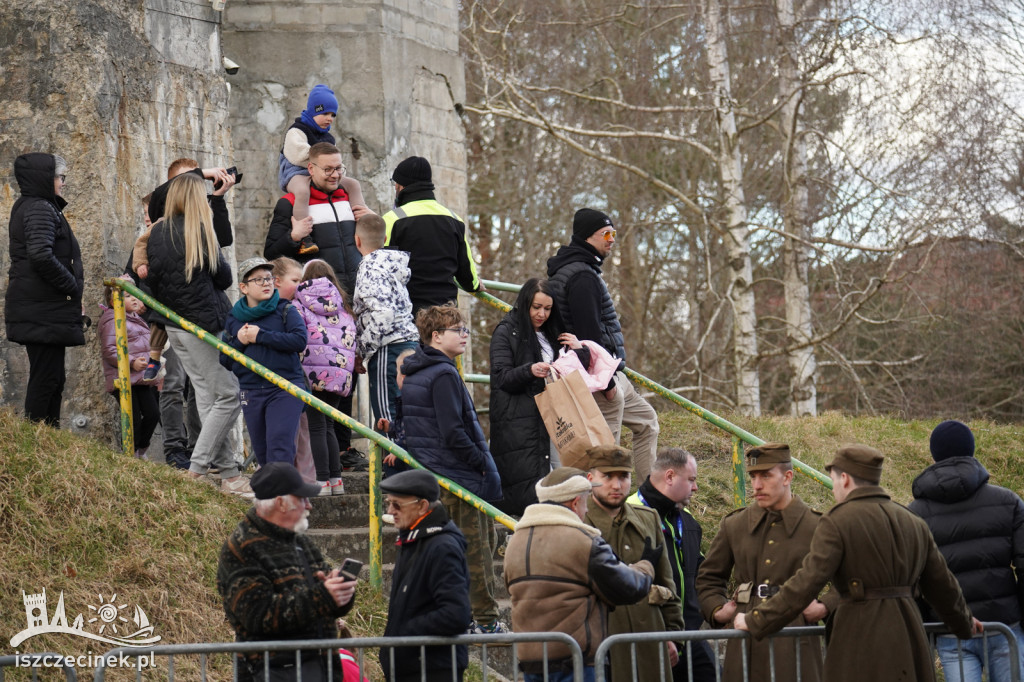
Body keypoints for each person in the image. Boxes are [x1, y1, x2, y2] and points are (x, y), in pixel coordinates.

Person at [735, 445, 983, 682]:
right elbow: (942, 585)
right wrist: (963, 622)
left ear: (844, 479)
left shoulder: (837, 521)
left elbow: (804, 584)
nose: (833, 488)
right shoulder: (912, 521)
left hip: (860, 637)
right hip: (909, 636)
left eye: (833, 480)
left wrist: (755, 619)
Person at [400, 303, 504, 633]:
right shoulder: (444, 373)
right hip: (458, 477)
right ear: (435, 336)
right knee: (477, 552)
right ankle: (486, 622)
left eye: (464, 329)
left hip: (437, 473)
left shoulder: (416, 370)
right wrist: (481, 463)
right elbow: (452, 431)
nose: (464, 336)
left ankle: (462, 617)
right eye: (457, 330)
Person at [696, 443, 836, 682]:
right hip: (744, 634)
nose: (757, 485)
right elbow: (708, 578)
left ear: (787, 477)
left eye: (766, 475)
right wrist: (719, 610)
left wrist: (823, 606)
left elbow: (847, 580)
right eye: (752, 476)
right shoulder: (735, 525)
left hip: (795, 634)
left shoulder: (818, 526)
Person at [145, 172, 249, 495]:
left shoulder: (156, 233)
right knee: (230, 395)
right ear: (195, 201)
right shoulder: (199, 231)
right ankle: (196, 470)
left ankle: (230, 475)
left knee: (207, 397)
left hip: (175, 328)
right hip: (204, 326)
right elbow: (224, 277)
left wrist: (199, 175)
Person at [503, 467, 658, 682]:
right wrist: (646, 566)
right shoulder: (583, 540)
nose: (586, 511)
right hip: (575, 664)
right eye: (586, 502)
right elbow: (626, 587)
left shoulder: (516, 542)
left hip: (532, 664)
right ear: (575, 502)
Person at [546, 208, 659, 481]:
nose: (612, 240)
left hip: (608, 372)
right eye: (606, 234)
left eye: (614, 233)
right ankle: (602, 508)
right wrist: (606, 384)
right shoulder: (582, 277)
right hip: (597, 377)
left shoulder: (580, 269)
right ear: (587, 237)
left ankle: (648, 498)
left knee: (647, 422)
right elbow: (589, 335)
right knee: (606, 451)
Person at [217, 462, 356, 681]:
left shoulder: (300, 541)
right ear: (281, 503)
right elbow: (258, 616)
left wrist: (341, 592)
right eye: (302, 499)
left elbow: (327, 603)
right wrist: (323, 596)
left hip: (317, 667)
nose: (309, 506)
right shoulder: (244, 547)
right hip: (275, 672)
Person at [909, 420, 1024, 682]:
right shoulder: (1008, 502)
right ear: (971, 450)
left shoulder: (914, 514)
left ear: (934, 455)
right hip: (1005, 624)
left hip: (949, 628)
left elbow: (911, 578)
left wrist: (927, 623)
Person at [582, 445, 684, 682]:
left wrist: (673, 635)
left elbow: (666, 583)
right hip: (601, 647)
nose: (616, 486)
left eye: (623, 477)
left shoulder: (648, 519)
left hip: (649, 641)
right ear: (590, 479)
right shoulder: (578, 522)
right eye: (607, 477)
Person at [489, 278, 589, 516]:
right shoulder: (506, 331)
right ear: (524, 304)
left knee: (565, 477)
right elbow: (501, 377)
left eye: (547, 308)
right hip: (521, 420)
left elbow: (580, 371)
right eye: (536, 307)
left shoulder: (554, 333)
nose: (542, 314)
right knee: (532, 486)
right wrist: (529, 370)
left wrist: (579, 349)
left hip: (556, 415)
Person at [133, 157, 237, 380]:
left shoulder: (198, 225)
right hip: (184, 318)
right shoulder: (161, 212)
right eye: (191, 177)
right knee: (191, 385)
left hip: (182, 316)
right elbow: (223, 276)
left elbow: (224, 239)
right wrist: (203, 173)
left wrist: (218, 199)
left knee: (199, 388)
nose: (198, 180)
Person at [5, 152, 85, 427]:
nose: (63, 183)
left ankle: (49, 439)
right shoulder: (38, 207)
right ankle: (37, 440)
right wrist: (72, 287)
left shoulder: (36, 206)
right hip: (41, 309)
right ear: (44, 178)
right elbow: (41, 255)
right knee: (46, 378)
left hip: (44, 308)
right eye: (60, 177)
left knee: (53, 378)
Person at [627, 448, 717, 682]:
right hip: (648, 638)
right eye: (691, 480)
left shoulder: (686, 520)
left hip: (687, 632)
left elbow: (701, 571)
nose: (695, 487)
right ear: (669, 477)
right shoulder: (629, 515)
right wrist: (660, 634)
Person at [378, 469, 472, 682]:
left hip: (430, 670)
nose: (391, 510)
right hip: (411, 667)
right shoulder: (413, 540)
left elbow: (455, 614)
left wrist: (404, 632)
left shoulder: (441, 547)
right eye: (389, 503)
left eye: (397, 504)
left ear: (422, 506)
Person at [221, 257, 307, 468]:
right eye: (259, 279)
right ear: (244, 287)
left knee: (280, 447)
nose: (267, 283)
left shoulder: (285, 309)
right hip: (251, 390)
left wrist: (261, 335)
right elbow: (225, 359)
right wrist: (240, 342)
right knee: (262, 451)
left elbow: (299, 340)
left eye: (269, 278)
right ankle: (270, 499)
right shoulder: (234, 318)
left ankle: (284, 498)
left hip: (285, 386)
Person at [382, 156, 482, 313]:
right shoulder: (455, 220)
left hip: (408, 315)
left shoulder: (392, 219)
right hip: (445, 313)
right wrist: (475, 286)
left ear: (401, 186)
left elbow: (381, 270)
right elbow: (467, 274)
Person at [277, 84, 369, 253]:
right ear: (313, 111)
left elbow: (332, 159)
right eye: (325, 113)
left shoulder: (328, 137)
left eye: (333, 115)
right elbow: (297, 155)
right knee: (303, 192)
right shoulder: (296, 131)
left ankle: (364, 224)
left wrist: (337, 170)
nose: (330, 118)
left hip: (322, 173)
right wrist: (322, 162)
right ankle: (305, 237)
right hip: (296, 172)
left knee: (353, 184)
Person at [292, 259, 357, 495]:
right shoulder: (344, 308)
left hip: (313, 373)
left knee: (317, 427)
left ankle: (321, 481)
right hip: (340, 375)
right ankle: (336, 480)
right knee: (329, 425)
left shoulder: (298, 303)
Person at [265, 141, 364, 295]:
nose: (335, 175)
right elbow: (271, 254)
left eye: (338, 168)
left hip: (359, 294)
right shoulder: (289, 203)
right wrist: (293, 237)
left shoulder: (350, 197)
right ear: (311, 169)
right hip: (319, 300)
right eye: (328, 170)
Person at [352, 212, 419, 440]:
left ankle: (392, 472)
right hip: (410, 342)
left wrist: (362, 351)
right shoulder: (392, 266)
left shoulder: (370, 269)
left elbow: (383, 313)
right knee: (410, 415)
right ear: (386, 237)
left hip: (388, 349)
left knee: (387, 416)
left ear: (357, 240)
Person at [98, 276, 161, 459]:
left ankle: (141, 450)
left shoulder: (136, 318)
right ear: (114, 300)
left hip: (141, 377)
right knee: (132, 418)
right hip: (124, 377)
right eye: (127, 296)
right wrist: (132, 362)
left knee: (152, 414)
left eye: (135, 295)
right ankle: (130, 454)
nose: (134, 299)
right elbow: (110, 350)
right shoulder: (112, 319)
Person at [272, 257, 318, 485]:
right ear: (276, 281)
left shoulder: (294, 307)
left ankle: (306, 482)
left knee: (302, 433)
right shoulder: (272, 310)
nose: (300, 285)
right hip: (274, 383)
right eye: (295, 280)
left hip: (295, 379)